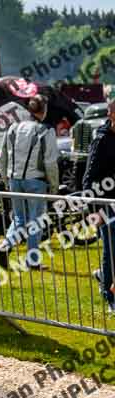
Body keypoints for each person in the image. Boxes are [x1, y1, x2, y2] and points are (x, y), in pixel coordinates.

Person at [0, 94, 59, 270]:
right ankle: (32, 261)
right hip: (36, 181)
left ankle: (5, 246)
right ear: (44, 110)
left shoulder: (12, 128)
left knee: (19, 218)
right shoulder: (46, 130)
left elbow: (3, 157)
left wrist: (5, 179)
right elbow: (50, 162)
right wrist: (54, 187)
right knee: (35, 221)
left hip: (14, 179)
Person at [84, 100, 115, 313]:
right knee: (111, 251)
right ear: (112, 115)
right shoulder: (101, 140)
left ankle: (103, 276)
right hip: (106, 204)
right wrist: (93, 212)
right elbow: (88, 179)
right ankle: (109, 294)